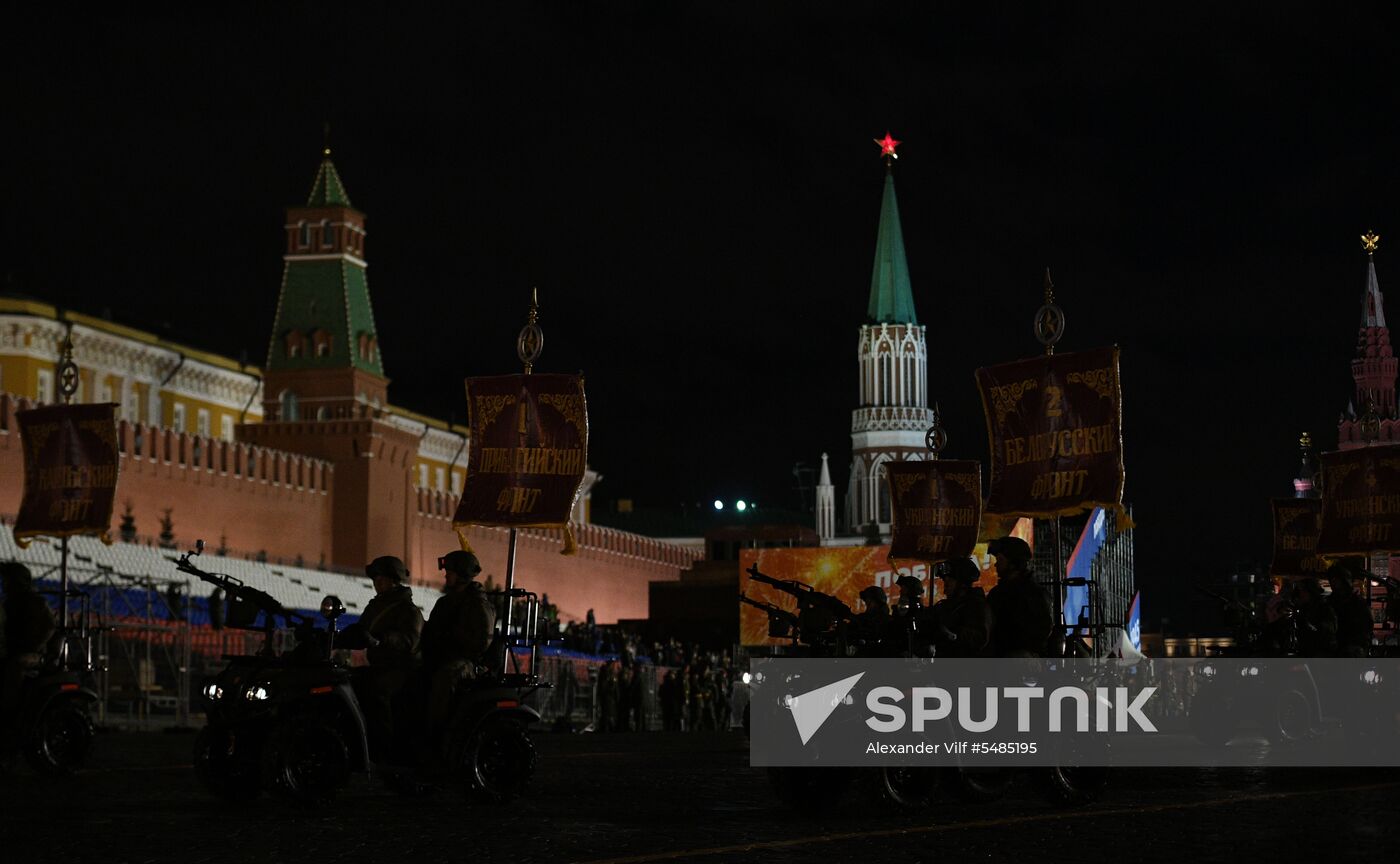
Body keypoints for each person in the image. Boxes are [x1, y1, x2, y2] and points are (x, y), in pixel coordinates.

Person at [338, 556, 423, 760]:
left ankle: (385, 748)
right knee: (347, 681)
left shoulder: (409, 611)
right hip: (380, 666)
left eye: (381, 579)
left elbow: (409, 641)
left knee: (377, 690)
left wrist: (381, 639)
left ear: (394, 580)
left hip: (403, 669)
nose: (377, 583)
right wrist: (336, 640)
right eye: (375, 579)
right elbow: (361, 632)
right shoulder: (375, 607)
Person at [420, 550, 498, 739]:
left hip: (468, 662)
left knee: (445, 678)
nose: (446, 575)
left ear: (462, 574)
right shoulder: (445, 602)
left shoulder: (479, 605)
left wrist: (451, 639)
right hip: (442, 656)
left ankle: (437, 734)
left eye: (451, 571)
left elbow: (481, 642)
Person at [2, 563, 57, 748]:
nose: (5, 584)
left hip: (35, 655)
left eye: (9, 580)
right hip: (14, 651)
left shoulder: (35, 602)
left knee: (16, 664)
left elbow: (50, 626)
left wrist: (37, 646)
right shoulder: (9, 603)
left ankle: (10, 713)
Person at [986, 536, 1055, 658]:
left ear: (1014, 563)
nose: (996, 565)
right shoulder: (998, 593)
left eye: (1000, 559)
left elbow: (1039, 634)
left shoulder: (1033, 595)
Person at [931, 557, 993, 657]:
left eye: (950, 580)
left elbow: (980, 638)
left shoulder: (977, 606)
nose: (945, 585)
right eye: (944, 580)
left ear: (962, 583)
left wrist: (952, 631)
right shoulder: (944, 606)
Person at [1326, 564, 1372, 658]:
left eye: (1336, 580)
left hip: (1351, 649)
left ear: (1344, 581)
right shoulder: (1329, 602)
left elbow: (1365, 628)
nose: (1333, 583)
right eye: (1332, 580)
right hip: (1333, 649)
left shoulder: (1357, 603)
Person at [1292, 577, 1338, 657]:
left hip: (1320, 654)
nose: (1301, 594)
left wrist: (1310, 625)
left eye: (1303, 591)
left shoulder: (1324, 609)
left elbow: (1327, 631)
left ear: (1311, 592)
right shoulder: (1303, 609)